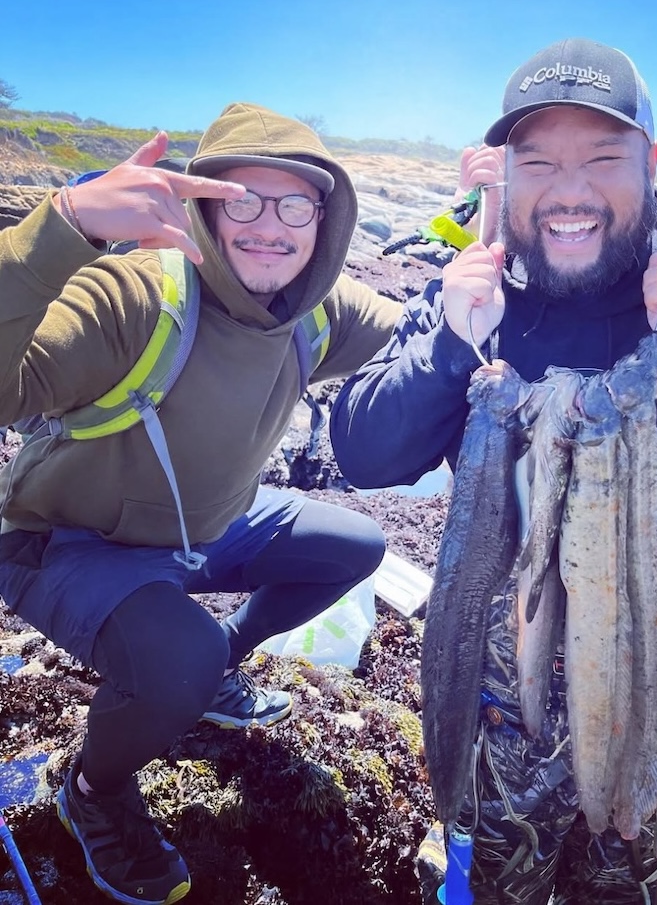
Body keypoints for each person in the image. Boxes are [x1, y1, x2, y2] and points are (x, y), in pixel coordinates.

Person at [329, 38, 657, 904]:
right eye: (538, 161)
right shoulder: (471, 289)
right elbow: (358, 447)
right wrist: (444, 347)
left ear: (652, 163)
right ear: (504, 171)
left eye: (602, 158)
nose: (569, 191)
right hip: (495, 699)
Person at [0, 102, 410, 905]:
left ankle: (220, 659)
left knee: (355, 546)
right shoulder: (133, 297)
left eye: (295, 203)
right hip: (65, 543)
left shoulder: (317, 309)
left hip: (201, 528)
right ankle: (93, 790)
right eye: (242, 200)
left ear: (324, 220)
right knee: (174, 661)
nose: (270, 225)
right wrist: (66, 225)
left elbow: (427, 340)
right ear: (204, 204)